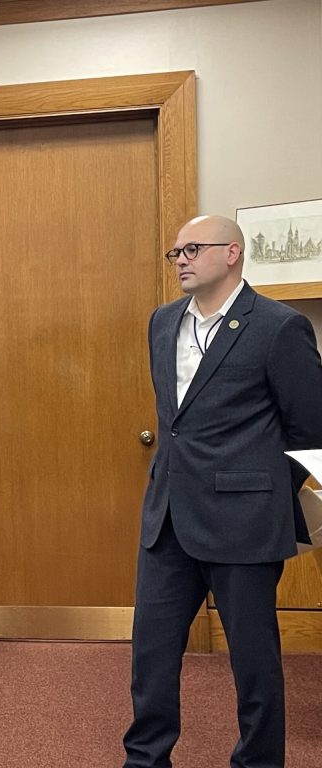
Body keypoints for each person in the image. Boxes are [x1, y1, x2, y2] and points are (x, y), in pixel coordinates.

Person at [123, 215, 322, 768]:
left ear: (232, 253)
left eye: (193, 248)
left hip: (245, 523)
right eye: (175, 252)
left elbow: (311, 428)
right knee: (152, 653)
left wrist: (260, 493)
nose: (181, 259)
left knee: (254, 663)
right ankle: (146, 759)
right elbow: (177, 424)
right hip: (167, 519)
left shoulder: (278, 327)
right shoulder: (161, 324)